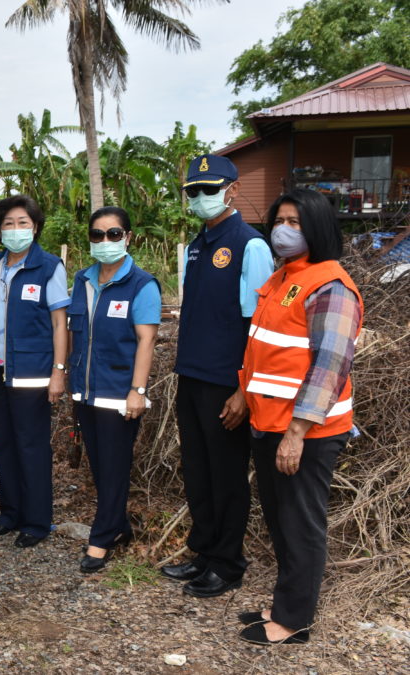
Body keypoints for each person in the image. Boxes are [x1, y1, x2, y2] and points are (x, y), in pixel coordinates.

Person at [237, 189, 362, 645]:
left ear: (319, 229)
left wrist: (297, 432)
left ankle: (293, 622)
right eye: (280, 219)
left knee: (300, 522)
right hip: (270, 422)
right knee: (280, 518)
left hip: (307, 430)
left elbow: (330, 366)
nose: (283, 229)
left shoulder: (330, 285)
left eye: (296, 222)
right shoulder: (284, 276)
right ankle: (287, 602)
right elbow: (265, 352)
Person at [161, 154, 274, 598]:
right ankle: (203, 552)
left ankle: (228, 563)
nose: (201, 198)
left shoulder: (251, 245)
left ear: (232, 189)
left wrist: (244, 390)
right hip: (191, 376)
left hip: (227, 384)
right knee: (198, 471)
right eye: (193, 191)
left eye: (209, 189)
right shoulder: (196, 245)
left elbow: (259, 327)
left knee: (226, 475)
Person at [0, 195, 69, 548]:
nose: (16, 230)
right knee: (3, 446)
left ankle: (37, 521)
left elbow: (60, 323)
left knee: (31, 447)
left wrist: (59, 371)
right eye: (8, 223)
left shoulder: (49, 267)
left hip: (33, 373)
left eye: (23, 223)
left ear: (35, 227)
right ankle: (10, 514)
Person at [67, 207, 161, 573]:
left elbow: (146, 341)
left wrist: (138, 390)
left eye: (113, 234)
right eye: (97, 235)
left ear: (128, 237)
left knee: (115, 467)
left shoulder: (142, 285)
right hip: (86, 391)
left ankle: (102, 538)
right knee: (101, 467)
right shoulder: (83, 280)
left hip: (120, 393)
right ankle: (119, 526)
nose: (105, 241)